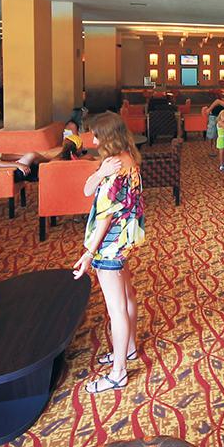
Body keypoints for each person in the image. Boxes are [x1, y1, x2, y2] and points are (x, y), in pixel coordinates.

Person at [72, 112, 145, 394]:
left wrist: (89, 253)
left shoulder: (114, 168)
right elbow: (87, 189)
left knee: (117, 309)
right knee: (128, 296)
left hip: (110, 244)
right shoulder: (127, 158)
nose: (92, 140)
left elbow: (105, 215)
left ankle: (118, 373)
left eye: (96, 135)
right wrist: (100, 172)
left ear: (108, 137)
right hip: (125, 239)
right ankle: (128, 348)